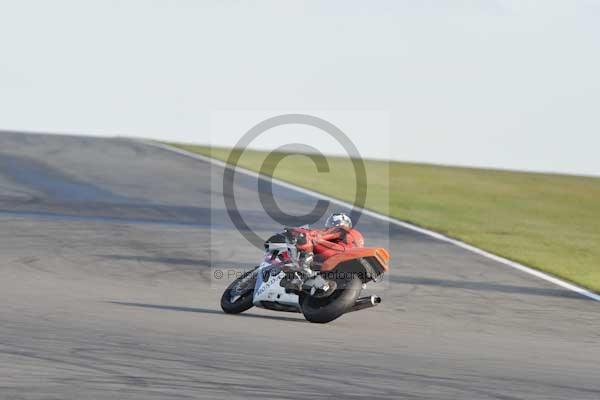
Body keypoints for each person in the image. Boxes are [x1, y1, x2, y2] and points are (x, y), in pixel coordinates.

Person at [292, 212, 364, 269]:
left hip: (341, 253)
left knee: (309, 239)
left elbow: (320, 235)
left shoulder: (343, 230)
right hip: (350, 256)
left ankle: (305, 263)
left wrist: (301, 232)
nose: (330, 227)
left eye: (333, 224)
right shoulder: (355, 234)